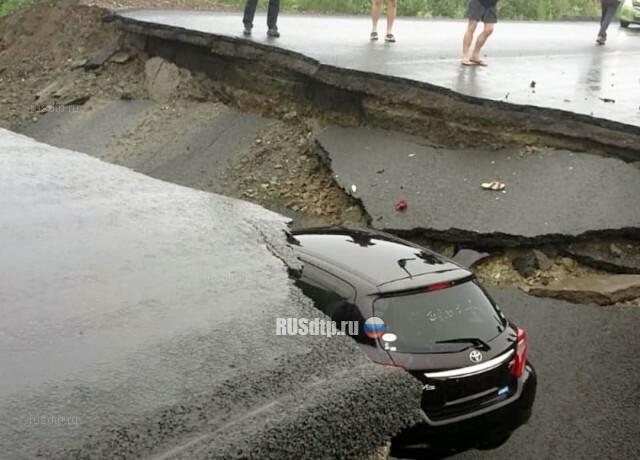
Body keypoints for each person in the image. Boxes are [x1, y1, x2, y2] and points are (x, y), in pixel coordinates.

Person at [461, 0, 498, 66]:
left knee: (489, 30)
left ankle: (475, 55)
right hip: (477, 2)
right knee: (472, 27)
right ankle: (465, 55)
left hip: (491, 4)